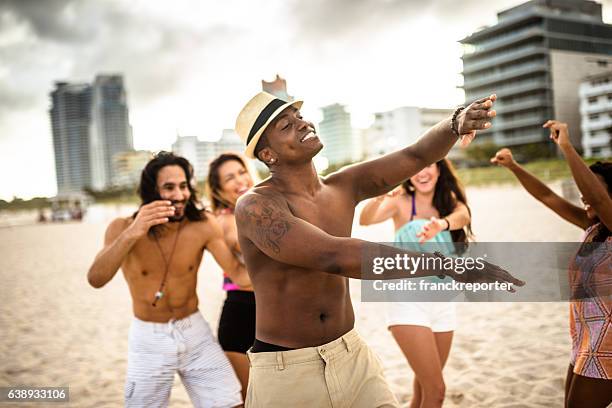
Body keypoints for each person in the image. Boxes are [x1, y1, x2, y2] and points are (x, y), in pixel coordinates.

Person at [233, 91, 523, 408]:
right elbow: (333, 256)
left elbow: (415, 156)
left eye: (299, 116)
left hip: (351, 352)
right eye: (286, 125)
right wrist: (446, 265)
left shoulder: (342, 186)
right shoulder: (256, 206)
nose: (302, 124)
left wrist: (455, 123)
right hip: (287, 369)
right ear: (268, 154)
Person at [87, 152, 244, 408]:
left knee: (231, 403)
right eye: (169, 188)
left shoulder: (203, 224)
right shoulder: (122, 227)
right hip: (149, 337)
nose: (180, 195)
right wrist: (134, 232)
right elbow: (96, 278)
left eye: (183, 186)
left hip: (194, 330)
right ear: (151, 192)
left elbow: (237, 274)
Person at [491, 121, 612, 408]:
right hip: (586, 338)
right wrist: (514, 167)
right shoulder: (593, 227)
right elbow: (548, 197)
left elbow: (596, 196)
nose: (583, 195)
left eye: (592, 186)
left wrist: (567, 147)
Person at [359, 158, 472, 408]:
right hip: (407, 301)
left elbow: (463, 215)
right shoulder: (400, 201)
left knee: (423, 387)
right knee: (437, 390)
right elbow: (366, 219)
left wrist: (441, 224)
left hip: (443, 302)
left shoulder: (448, 202)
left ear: (439, 169)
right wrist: (379, 196)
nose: (423, 173)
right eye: (417, 168)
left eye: (430, 165)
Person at [207, 152, 256, 400]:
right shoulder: (225, 220)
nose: (240, 180)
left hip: (268, 313)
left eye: (241, 172)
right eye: (230, 178)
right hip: (241, 315)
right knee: (254, 400)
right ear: (219, 188)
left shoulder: (256, 207)